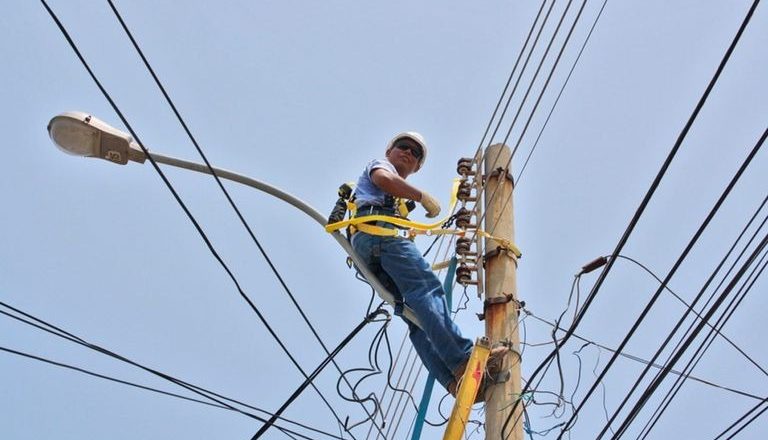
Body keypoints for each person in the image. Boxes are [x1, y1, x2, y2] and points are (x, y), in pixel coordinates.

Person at [350, 131, 507, 399]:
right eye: (403, 147)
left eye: (415, 153)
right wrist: (422, 197)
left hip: (369, 247)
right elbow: (383, 179)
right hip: (380, 235)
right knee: (426, 290)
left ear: (417, 166)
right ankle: (464, 360)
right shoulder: (381, 166)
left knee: (416, 319)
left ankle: (453, 382)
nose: (408, 153)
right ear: (390, 151)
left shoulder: (397, 202)